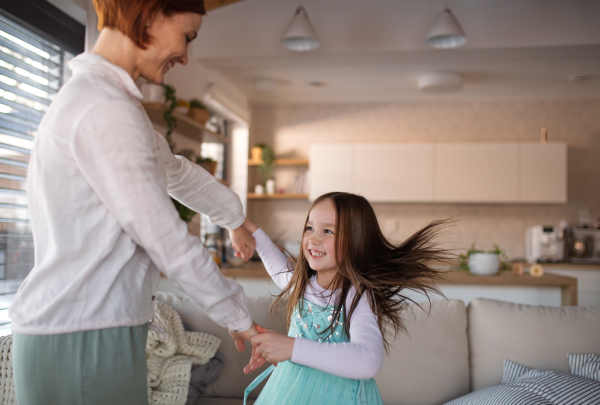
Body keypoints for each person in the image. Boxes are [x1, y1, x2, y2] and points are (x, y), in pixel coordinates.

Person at [9, 0, 260, 403]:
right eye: (187, 36)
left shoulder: (111, 104)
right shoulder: (104, 109)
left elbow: (173, 171)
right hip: (82, 339)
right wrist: (239, 316)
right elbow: (165, 238)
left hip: (88, 333)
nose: (185, 56)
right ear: (151, 13)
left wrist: (232, 216)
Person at [242, 192, 452, 405]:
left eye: (328, 231)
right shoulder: (302, 283)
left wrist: (291, 348)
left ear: (356, 240)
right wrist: (245, 228)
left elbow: (368, 361)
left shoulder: (358, 295)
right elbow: (277, 264)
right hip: (288, 390)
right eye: (310, 228)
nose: (314, 239)